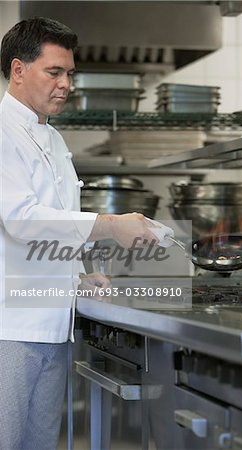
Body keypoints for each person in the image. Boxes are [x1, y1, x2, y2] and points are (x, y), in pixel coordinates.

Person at [0, 17, 164, 450]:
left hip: (54, 323)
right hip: (9, 328)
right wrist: (110, 224)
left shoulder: (51, 138)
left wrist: (78, 275)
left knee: (37, 444)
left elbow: (56, 220)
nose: (66, 84)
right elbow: (20, 219)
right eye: (54, 72)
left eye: (69, 73)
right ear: (18, 70)